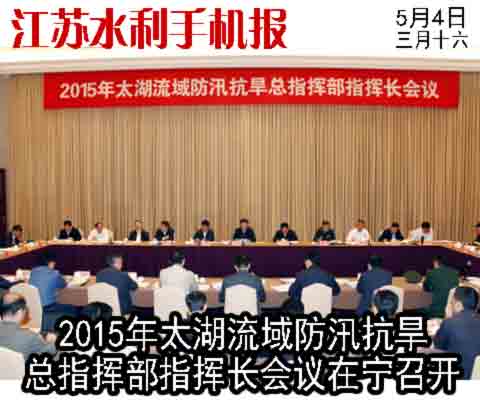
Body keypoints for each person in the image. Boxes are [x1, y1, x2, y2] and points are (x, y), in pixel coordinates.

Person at [434, 287, 480, 379]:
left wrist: (447, 318)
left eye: (451, 303)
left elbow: (438, 346)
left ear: (458, 305)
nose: (450, 305)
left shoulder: (450, 323)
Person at [29, 252, 78, 331]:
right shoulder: (55, 274)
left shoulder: (33, 272)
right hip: (49, 306)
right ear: (51, 263)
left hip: (35, 305)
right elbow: (63, 285)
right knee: (74, 306)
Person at [0, 293, 56, 360]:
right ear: (20, 312)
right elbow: (49, 352)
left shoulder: (29, 336)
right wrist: (53, 341)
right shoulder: (30, 337)